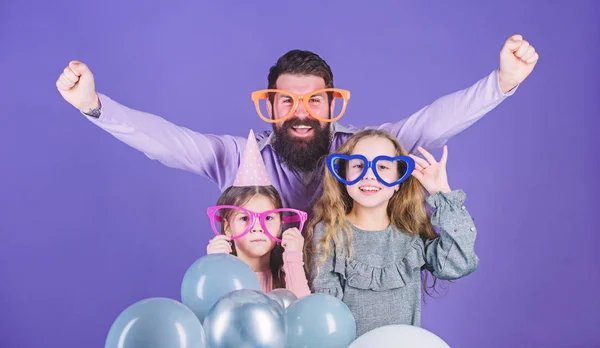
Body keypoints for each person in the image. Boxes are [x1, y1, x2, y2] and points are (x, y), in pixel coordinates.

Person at [55, 34, 538, 213]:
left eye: (313, 100)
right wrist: (95, 105)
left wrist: (501, 82)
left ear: (331, 105)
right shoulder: (239, 158)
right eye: (287, 100)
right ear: (270, 106)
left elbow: (433, 122)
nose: (301, 111)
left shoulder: (367, 154)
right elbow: (167, 142)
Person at [306, 129, 479, 337]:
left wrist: (442, 193)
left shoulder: (411, 232)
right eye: (359, 165)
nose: (369, 174)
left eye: (382, 166)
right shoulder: (330, 232)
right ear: (344, 175)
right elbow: (327, 313)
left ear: (398, 181)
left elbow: (457, 263)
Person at [206, 130, 311, 298]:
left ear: (280, 226)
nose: (257, 228)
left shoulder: (286, 272)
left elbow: (304, 312)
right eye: (244, 218)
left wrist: (293, 257)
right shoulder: (221, 271)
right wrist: (216, 265)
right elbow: (210, 311)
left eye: (268, 218)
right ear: (227, 227)